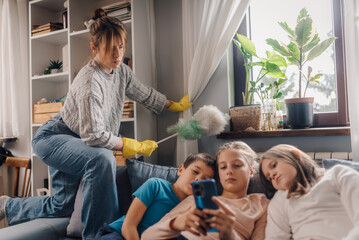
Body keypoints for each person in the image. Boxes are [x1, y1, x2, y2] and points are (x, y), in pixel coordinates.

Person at [0, 8, 191, 240]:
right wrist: (130, 145)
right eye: (111, 48)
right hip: (54, 138)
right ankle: (99, 235)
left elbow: (143, 93)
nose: (117, 54)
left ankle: (7, 206)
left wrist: (171, 105)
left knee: (62, 206)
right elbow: (93, 136)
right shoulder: (90, 80)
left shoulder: (121, 71)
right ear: (94, 48)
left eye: (121, 46)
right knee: (102, 158)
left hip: (77, 141)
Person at [142, 141, 269, 240]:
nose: (229, 171)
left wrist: (229, 236)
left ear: (251, 170)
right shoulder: (197, 198)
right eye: (223, 167)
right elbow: (146, 236)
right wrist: (176, 224)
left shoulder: (260, 203)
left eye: (237, 165)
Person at [94, 153, 216, 240]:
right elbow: (129, 225)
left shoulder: (193, 207)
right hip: (118, 233)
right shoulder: (156, 185)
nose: (198, 179)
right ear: (180, 170)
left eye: (206, 179)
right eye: (195, 172)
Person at [259, 144, 359, 240]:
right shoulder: (280, 200)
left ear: (296, 155)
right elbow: (274, 237)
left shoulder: (337, 175)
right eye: (269, 178)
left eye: (274, 165)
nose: (272, 175)